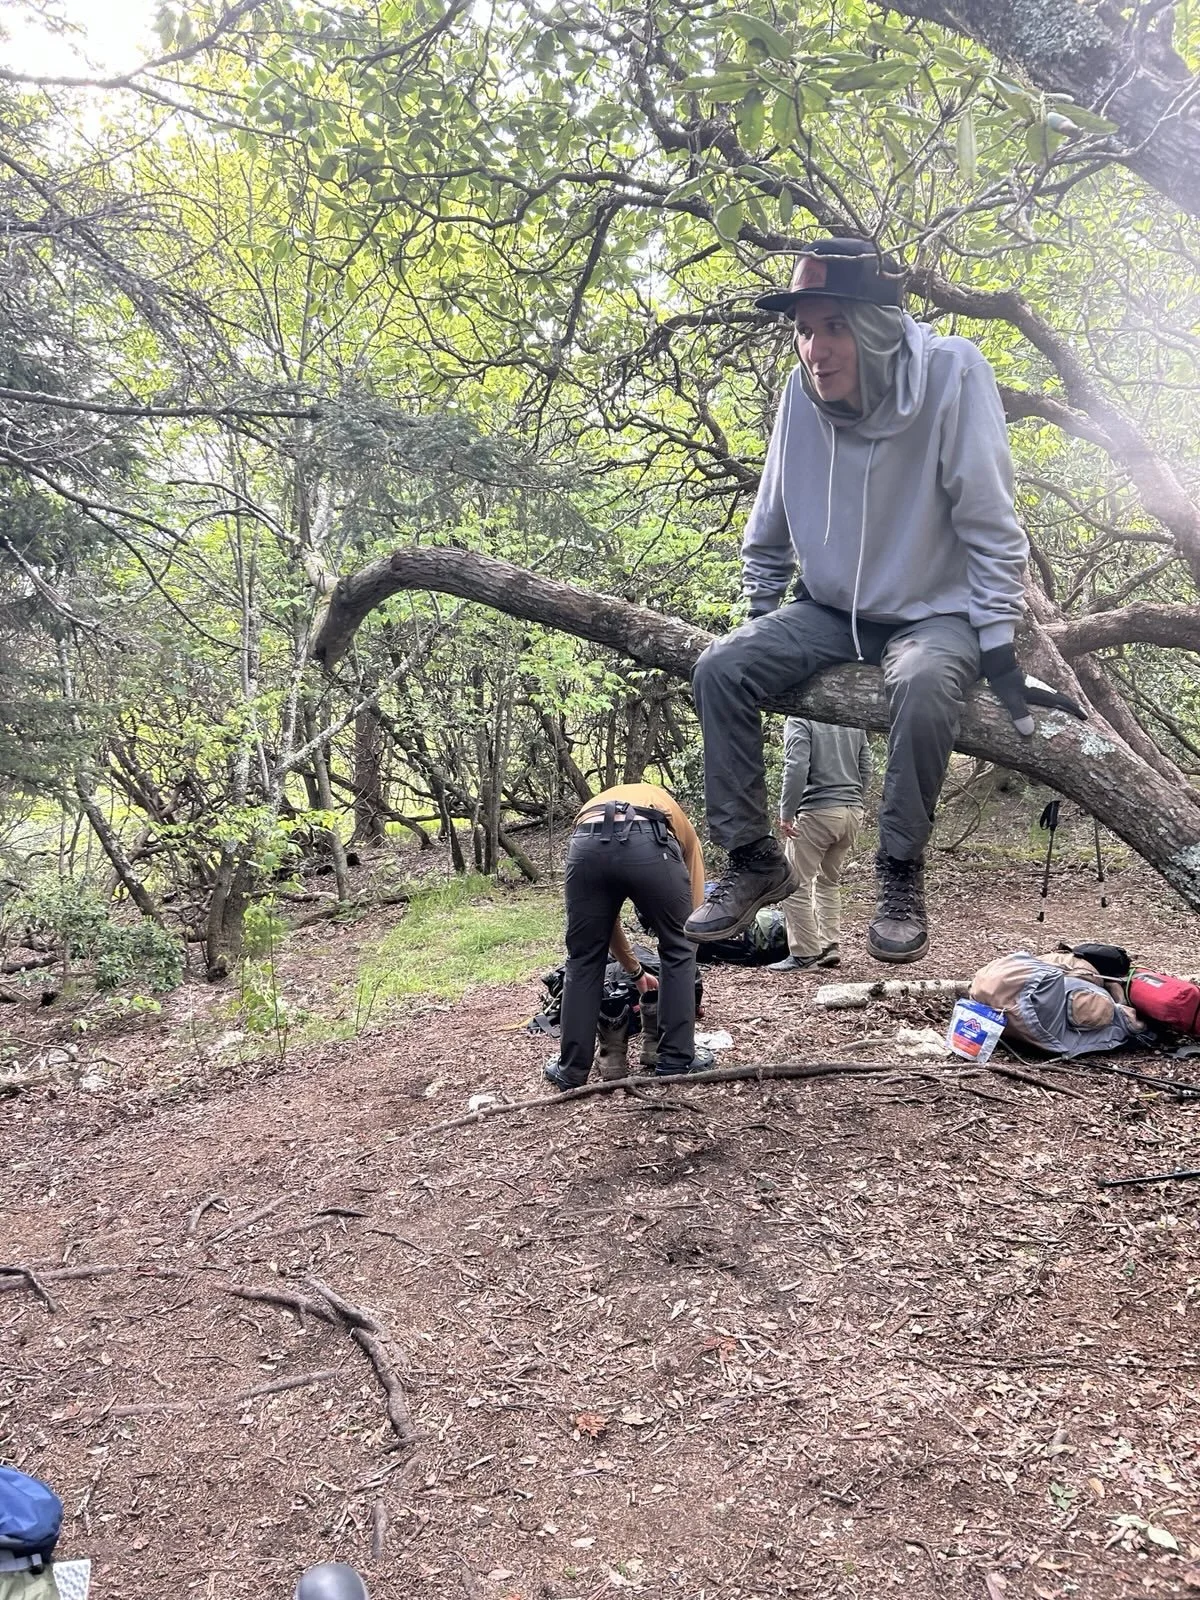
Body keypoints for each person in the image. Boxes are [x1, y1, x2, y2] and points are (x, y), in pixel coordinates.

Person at [685, 235, 1038, 964]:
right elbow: (771, 518)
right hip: (828, 610)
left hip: (934, 614)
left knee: (923, 681)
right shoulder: (799, 393)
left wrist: (998, 637)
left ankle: (901, 873)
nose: (816, 348)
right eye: (805, 329)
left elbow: (992, 523)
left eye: (835, 326)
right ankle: (752, 860)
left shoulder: (951, 373)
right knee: (722, 667)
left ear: (875, 326)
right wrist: (761, 620)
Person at [544, 783, 708, 1090]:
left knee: (583, 957)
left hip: (585, 843)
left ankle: (571, 1070)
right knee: (678, 948)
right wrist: (686, 948)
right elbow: (694, 911)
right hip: (650, 838)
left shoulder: (600, 802)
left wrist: (634, 969)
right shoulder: (678, 820)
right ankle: (676, 1060)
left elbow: (606, 927)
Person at [768, 716, 870, 972]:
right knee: (828, 881)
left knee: (793, 884)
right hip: (851, 812)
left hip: (818, 811)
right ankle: (828, 946)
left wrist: (787, 812)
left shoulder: (800, 717)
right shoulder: (850, 716)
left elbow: (797, 766)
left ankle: (805, 954)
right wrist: (855, 799)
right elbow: (866, 765)